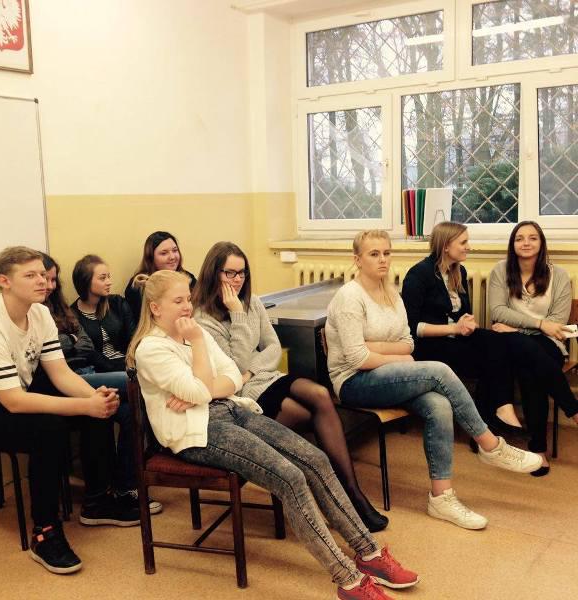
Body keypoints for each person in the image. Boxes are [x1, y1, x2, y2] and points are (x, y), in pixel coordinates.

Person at [127, 269, 419, 600]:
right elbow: (201, 389)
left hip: (232, 409)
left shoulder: (195, 332)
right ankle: (348, 580)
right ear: (155, 308)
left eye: (188, 299)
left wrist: (203, 388)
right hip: (196, 432)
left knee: (314, 458)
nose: (186, 307)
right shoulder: (152, 349)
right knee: (289, 478)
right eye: (178, 301)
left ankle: (368, 552)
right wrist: (198, 359)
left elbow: (233, 376)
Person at [326, 230, 542, 530]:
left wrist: (378, 348)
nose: (383, 259)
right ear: (357, 260)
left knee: (438, 404)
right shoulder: (349, 297)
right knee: (438, 370)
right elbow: (357, 359)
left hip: (386, 375)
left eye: (387, 253)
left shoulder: (391, 293)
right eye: (374, 254)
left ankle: (441, 498)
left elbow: (408, 343)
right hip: (354, 382)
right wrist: (396, 357)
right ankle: (490, 445)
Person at [192, 241, 387, 532]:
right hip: (241, 394)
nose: (237, 280)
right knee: (304, 416)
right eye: (230, 273)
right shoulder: (203, 319)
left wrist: (251, 370)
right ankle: (332, 498)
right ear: (213, 273)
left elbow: (273, 347)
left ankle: (352, 493)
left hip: (264, 377)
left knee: (320, 394)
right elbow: (233, 364)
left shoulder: (253, 302)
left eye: (242, 273)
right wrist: (237, 315)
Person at [0, 247, 138, 576]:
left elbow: (61, 373)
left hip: (16, 394)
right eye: (31, 275)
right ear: (4, 281)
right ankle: (45, 532)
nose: (43, 281)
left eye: (43, 273)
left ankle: (97, 502)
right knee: (48, 428)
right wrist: (84, 404)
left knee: (98, 409)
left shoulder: (39, 313)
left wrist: (95, 398)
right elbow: (13, 402)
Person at [41, 253, 161, 512]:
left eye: (52, 279)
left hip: (98, 370)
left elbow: (85, 344)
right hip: (77, 376)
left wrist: (71, 342)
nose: (48, 285)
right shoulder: (46, 312)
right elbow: (79, 350)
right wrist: (72, 341)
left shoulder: (67, 307)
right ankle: (141, 473)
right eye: (43, 278)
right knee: (139, 383)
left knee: (129, 411)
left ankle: (125, 485)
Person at [401, 221, 524, 435]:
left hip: (455, 339)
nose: (468, 247)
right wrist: (455, 329)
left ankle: (496, 413)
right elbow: (412, 328)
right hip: (429, 346)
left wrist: (467, 323)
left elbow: (460, 314)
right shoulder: (418, 275)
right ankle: (491, 419)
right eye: (463, 242)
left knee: (498, 342)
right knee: (489, 358)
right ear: (446, 246)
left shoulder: (459, 271)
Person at [488, 220, 578, 475]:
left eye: (532, 238)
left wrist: (517, 329)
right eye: (519, 238)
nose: (525, 243)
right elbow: (497, 311)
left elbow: (557, 323)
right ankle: (570, 412)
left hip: (547, 345)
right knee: (528, 364)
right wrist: (539, 323)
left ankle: (537, 449)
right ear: (512, 244)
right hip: (511, 345)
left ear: (541, 243)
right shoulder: (501, 270)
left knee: (531, 368)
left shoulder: (559, 275)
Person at [124, 231, 197, 320]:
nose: (172, 257)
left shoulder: (187, 278)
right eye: (164, 253)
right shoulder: (139, 284)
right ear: (151, 258)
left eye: (175, 250)